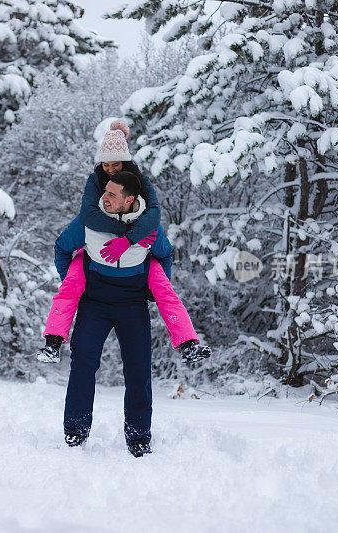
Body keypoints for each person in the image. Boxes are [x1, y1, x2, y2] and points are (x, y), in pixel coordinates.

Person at [47, 170, 204, 457]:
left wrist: (148, 290)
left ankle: (138, 436)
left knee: (138, 370)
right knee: (83, 364)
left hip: (132, 303)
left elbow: (165, 254)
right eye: (104, 191)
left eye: (111, 195)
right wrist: (73, 278)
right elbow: (61, 247)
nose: (103, 198)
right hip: (95, 302)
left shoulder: (149, 228)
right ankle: (75, 431)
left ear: (130, 199)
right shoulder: (89, 221)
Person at [36, 120, 211, 367]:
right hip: (96, 246)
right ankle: (52, 343)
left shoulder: (140, 182)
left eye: (115, 164)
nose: (110, 170)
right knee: (69, 288)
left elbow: (154, 215)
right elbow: (87, 216)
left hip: (139, 249)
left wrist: (133, 239)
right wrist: (125, 235)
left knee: (165, 290)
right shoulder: (95, 179)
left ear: (125, 162)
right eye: (105, 164)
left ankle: (188, 344)